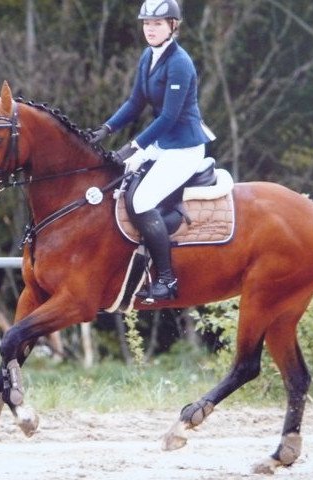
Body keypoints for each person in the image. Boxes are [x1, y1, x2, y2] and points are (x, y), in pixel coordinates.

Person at [89, 0, 215, 301]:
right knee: (120, 188)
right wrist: (107, 129)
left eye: (157, 24)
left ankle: (168, 280)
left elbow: (168, 117)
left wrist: (133, 147)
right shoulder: (148, 56)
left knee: (142, 200)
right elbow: (135, 103)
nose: (150, 29)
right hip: (162, 146)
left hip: (184, 148)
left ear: (173, 25)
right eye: (147, 24)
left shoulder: (180, 63)